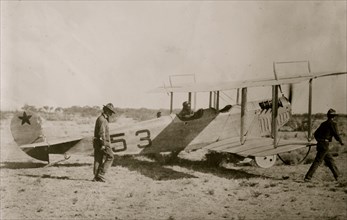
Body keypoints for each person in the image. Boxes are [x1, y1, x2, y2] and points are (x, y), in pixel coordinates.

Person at [304, 108, 344, 182]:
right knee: (318, 161)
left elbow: (316, 134)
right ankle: (308, 177)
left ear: (328, 116)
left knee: (330, 161)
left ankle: (338, 176)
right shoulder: (333, 124)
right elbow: (336, 134)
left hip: (321, 144)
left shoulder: (323, 124)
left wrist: (320, 141)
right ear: (334, 116)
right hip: (325, 145)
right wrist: (341, 142)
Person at [93, 103, 116, 182]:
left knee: (98, 159)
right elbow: (101, 134)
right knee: (110, 157)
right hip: (103, 143)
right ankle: (101, 174)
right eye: (110, 111)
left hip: (97, 143)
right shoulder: (103, 120)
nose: (111, 114)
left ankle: (96, 177)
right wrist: (103, 144)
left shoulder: (101, 118)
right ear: (106, 110)